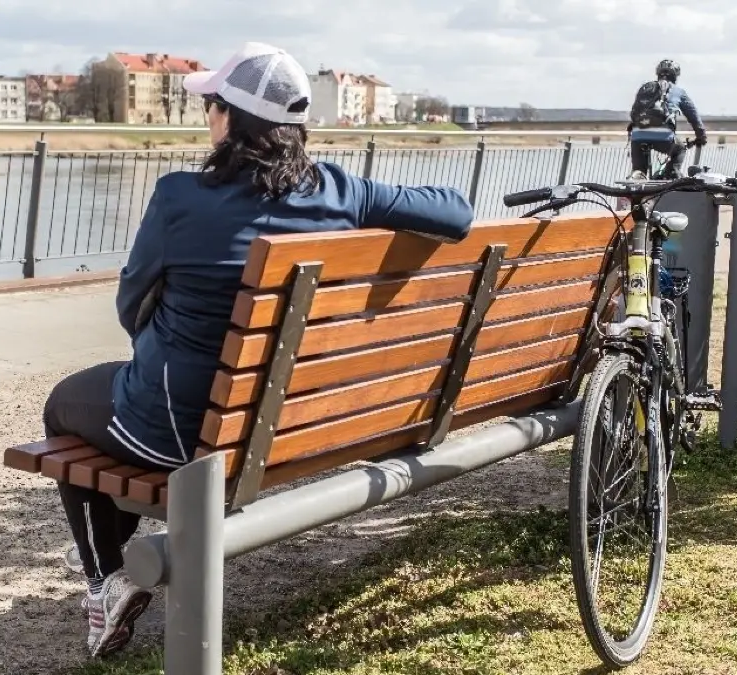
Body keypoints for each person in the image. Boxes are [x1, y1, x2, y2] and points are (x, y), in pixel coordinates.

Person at [41, 41, 475, 658]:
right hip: (280, 429)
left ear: (232, 120)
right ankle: (113, 560)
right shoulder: (340, 193)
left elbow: (130, 304)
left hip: (180, 433)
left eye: (213, 105)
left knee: (64, 407)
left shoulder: (179, 197)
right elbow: (456, 213)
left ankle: (104, 578)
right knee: (114, 398)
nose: (207, 115)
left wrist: (156, 345)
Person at [627, 59, 708, 179]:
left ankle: (637, 181)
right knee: (680, 149)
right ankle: (671, 173)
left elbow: (634, 112)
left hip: (638, 134)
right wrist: (701, 136)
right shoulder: (678, 91)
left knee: (639, 173)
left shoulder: (645, 88)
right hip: (663, 136)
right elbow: (693, 116)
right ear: (675, 76)